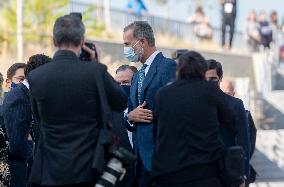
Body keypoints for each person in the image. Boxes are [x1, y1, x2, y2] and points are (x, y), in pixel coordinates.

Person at [28, 14, 128, 187]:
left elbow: (38, 117)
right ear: (82, 41)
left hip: (51, 171)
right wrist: (97, 63)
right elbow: (120, 102)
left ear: (54, 40)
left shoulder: (36, 76)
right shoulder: (94, 71)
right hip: (88, 169)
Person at [151, 51, 232, 187]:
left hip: (168, 173)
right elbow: (229, 121)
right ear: (202, 70)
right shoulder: (210, 90)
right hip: (205, 171)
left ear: (178, 71)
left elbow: (156, 133)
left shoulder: (162, 94)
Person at [123, 21, 176, 187]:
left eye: (127, 44)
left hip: (161, 159)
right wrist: (130, 117)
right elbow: (132, 113)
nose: (126, 49)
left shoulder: (168, 67)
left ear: (142, 42)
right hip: (138, 161)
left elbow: (175, 110)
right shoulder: (137, 75)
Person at [2, 54, 52, 187]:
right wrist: (32, 144)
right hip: (21, 174)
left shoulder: (31, 94)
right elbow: (18, 145)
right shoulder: (18, 97)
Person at [206, 60, 250, 187]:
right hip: (202, 172)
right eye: (206, 79)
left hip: (229, 171)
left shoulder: (235, 104)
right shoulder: (195, 105)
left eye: (213, 78)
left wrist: (243, 175)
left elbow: (244, 142)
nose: (209, 82)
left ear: (220, 79)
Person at [113, 65, 138, 187]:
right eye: (117, 83)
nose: (121, 87)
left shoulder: (144, 108)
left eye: (125, 82)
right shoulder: (110, 113)